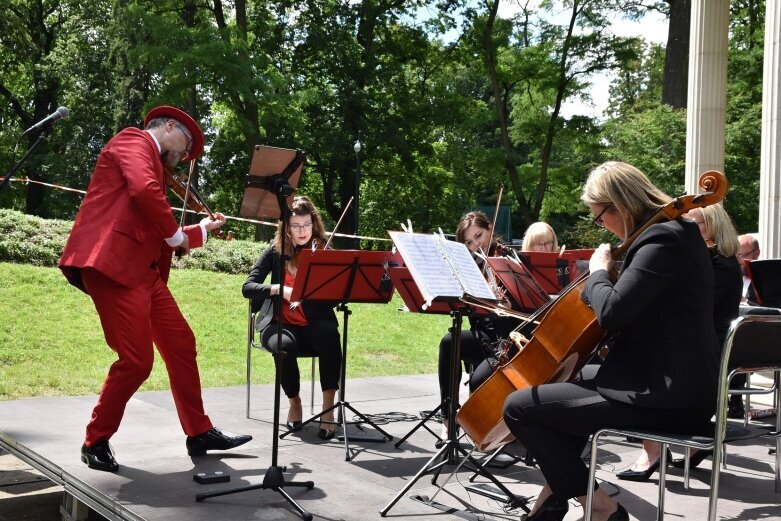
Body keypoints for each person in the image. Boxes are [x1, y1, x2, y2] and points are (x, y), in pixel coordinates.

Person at [503, 161, 719, 521]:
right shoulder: (678, 234)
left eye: (599, 217)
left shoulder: (662, 239)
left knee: (520, 406)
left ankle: (600, 506)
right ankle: (552, 501)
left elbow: (614, 313)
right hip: (675, 387)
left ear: (619, 205)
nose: (600, 225)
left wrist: (599, 272)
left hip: (667, 399)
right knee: (565, 390)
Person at [59, 105, 252, 473]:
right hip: (114, 267)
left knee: (181, 343)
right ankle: (94, 440)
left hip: (144, 273)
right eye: (185, 145)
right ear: (166, 126)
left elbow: (160, 229)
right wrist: (178, 233)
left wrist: (201, 232)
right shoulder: (133, 140)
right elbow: (146, 194)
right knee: (136, 362)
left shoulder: (154, 165)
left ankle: (198, 431)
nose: (184, 155)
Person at [616, 203, 742, 481]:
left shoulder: (719, 264)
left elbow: (687, 305)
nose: (684, 230)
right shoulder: (717, 261)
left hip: (704, 354)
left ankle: (653, 453)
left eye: (694, 225)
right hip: (703, 348)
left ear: (713, 228)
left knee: (643, 361)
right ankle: (668, 447)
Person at [242, 196, 342, 440]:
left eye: (306, 225)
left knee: (330, 335)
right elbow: (248, 286)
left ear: (314, 223)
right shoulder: (276, 251)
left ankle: (328, 409)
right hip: (280, 324)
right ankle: (294, 401)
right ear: (286, 228)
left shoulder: (324, 249)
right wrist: (278, 289)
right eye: (295, 226)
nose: (302, 231)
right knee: (283, 347)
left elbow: (339, 293)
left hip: (314, 324)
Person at [437, 211, 523, 439]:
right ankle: (448, 416)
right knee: (449, 342)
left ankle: (493, 428)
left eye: (479, 236)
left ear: (490, 230)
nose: (476, 245)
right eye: (469, 242)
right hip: (483, 337)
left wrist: (507, 300)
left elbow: (526, 305)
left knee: (478, 380)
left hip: (508, 340)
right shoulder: (468, 268)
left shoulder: (508, 260)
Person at [737, 234, 761, 303]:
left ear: (757, 253)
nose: (738, 260)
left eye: (743, 255)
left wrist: (746, 302)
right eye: (735, 255)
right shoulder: (729, 277)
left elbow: (773, 309)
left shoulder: (766, 279)